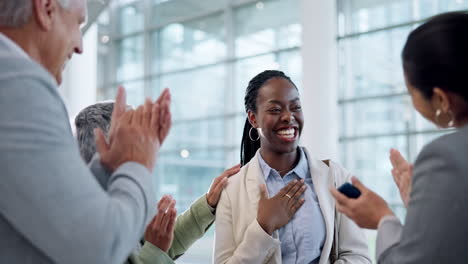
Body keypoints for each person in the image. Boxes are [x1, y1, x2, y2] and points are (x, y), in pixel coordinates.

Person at [0, 0, 168, 263]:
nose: (80, 46)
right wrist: (138, 163)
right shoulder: (16, 84)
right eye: (78, 23)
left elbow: (51, 213)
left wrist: (109, 169)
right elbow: (100, 247)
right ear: (45, 9)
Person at [330, 11, 468, 263]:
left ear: (440, 99)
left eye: (410, 91)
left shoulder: (446, 156)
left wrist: (384, 219)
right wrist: (427, 211)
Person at [214, 70, 370, 264]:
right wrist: (263, 227)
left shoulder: (336, 177)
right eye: (275, 110)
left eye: (295, 107)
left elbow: (360, 257)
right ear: (253, 118)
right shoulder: (231, 190)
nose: (289, 117)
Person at [74, 100, 241, 263]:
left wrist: (208, 203)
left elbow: (161, 246)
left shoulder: (120, 196)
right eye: (135, 137)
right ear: (108, 145)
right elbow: (153, 250)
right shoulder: (86, 218)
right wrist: (154, 250)